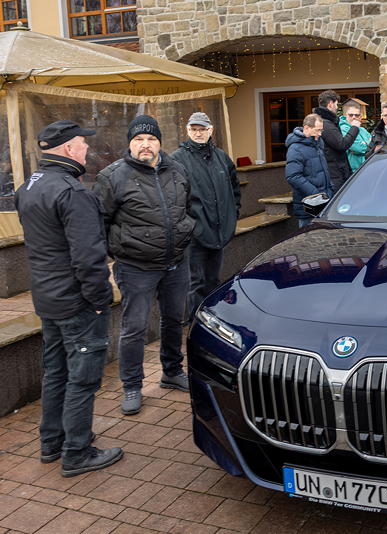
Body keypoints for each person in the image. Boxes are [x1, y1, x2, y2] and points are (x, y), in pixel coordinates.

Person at [15, 120, 123, 477]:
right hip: (76, 301)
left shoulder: (28, 186)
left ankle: (52, 443)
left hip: (47, 297)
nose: (85, 150)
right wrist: (99, 299)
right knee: (82, 377)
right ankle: (76, 452)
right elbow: (88, 258)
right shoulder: (73, 192)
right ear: (66, 149)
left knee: (56, 371)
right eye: (81, 144)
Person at [93, 115, 195, 416]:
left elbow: (187, 207)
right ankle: (132, 385)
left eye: (151, 139)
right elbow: (101, 223)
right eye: (139, 140)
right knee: (134, 328)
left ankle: (172, 371)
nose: (145, 145)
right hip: (135, 267)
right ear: (130, 144)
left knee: (174, 319)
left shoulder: (177, 170)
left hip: (176, 262)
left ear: (160, 143)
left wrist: (188, 229)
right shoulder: (112, 177)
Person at [171, 112, 241, 321]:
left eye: (202, 129)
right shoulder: (177, 159)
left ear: (210, 130)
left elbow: (234, 189)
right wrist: (189, 226)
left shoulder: (221, 157)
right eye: (194, 129)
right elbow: (174, 198)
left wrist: (232, 215)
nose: (198, 133)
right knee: (196, 283)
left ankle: (213, 321)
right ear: (187, 131)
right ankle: (195, 324)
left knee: (212, 280)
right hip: (195, 234)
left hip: (218, 231)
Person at [285, 114, 332, 228]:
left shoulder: (317, 143)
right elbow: (293, 176)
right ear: (306, 128)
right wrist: (315, 194)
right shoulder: (295, 149)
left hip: (323, 202)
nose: (320, 134)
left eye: (321, 130)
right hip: (308, 207)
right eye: (317, 130)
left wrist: (330, 190)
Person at [312, 89, 360, 192]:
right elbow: (341, 144)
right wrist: (355, 128)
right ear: (330, 104)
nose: (337, 108)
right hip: (334, 174)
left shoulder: (326, 122)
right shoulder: (326, 124)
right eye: (336, 104)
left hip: (336, 171)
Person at [338, 100, 372, 173]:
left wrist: (365, 144)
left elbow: (373, 144)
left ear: (360, 117)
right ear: (345, 115)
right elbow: (358, 148)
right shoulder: (343, 128)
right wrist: (367, 145)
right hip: (353, 171)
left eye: (356, 115)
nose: (354, 117)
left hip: (366, 168)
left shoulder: (363, 130)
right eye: (351, 115)